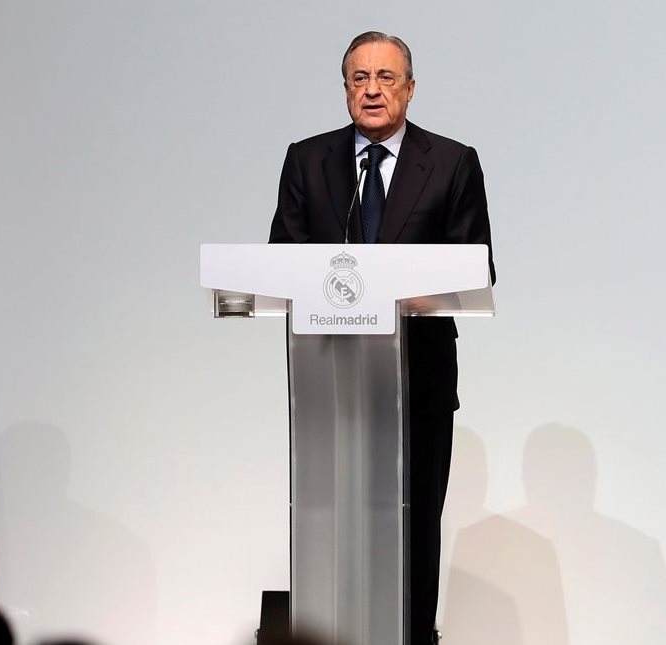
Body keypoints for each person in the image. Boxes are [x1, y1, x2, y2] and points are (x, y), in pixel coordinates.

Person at [268, 31, 495, 645]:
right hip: (330, 384)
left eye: (386, 77)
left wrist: (395, 292)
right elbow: (280, 262)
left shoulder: (452, 162)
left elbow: (474, 267)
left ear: (410, 88)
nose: (372, 90)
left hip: (418, 384)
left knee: (416, 530)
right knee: (332, 527)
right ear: (345, 89)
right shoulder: (307, 160)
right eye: (359, 78)